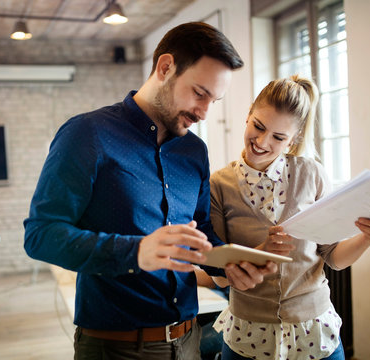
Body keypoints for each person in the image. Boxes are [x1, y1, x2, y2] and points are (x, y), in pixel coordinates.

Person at [24, 22, 276, 360]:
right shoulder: (86, 134)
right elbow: (40, 235)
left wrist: (229, 265)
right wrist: (137, 251)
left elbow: (200, 235)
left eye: (213, 100)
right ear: (165, 67)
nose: (204, 112)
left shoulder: (194, 152)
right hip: (115, 347)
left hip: (189, 341)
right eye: (199, 93)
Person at [209, 75, 370, 360]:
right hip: (248, 335)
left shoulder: (312, 174)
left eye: (278, 137)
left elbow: (333, 256)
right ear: (248, 115)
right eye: (258, 126)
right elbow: (222, 276)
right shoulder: (219, 185)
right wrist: (261, 253)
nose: (261, 141)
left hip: (314, 333)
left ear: (293, 139)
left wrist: (367, 238)